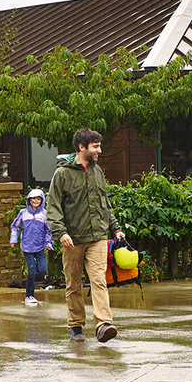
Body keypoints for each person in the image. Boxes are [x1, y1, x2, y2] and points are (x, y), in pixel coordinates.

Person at [46, 129, 125, 343]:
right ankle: (76, 325)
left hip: (97, 236)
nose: (100, 150)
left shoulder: (97, 171)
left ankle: (104, 324)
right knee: (73, 285)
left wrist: (115, 227)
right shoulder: (62, 174)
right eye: (95, 146)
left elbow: (104, 203)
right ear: (82, 147)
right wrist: (60, 232)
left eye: (99, 145)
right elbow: (52, 207)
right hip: (72, 239)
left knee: (99, 280)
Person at [10, 188, 53, 306]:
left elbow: (49, 230)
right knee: (32, 271)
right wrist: (13, 239)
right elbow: (15, 226)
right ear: (29, 200)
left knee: (43, 270)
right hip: (27, 246)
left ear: (42, 200)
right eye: (33, 198)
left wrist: (49, 243)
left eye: (38, 198)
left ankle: (35, 286)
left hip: (40, 246)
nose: (36, 200)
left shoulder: (44, 214)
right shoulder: (23, 213)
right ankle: (29, 296)